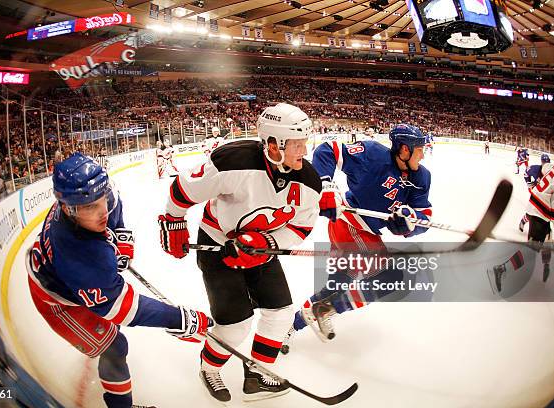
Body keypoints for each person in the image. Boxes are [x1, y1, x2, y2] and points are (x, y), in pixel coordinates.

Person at [158, 103, 321, 402]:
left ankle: (258, 374)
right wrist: (173, 220)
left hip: (261, 250)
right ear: (273, 144)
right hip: (219, 244)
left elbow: (301, 227)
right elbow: (183, 189)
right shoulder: (232, 161)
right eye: (297, 144)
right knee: (235, 326)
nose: (304, 152)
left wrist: (268, 245)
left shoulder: (309, 181)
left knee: (281, 313)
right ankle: (209, 368)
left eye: (304, 143)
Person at [27, 153, 212, 408]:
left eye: (101, 199)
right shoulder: (81, 254)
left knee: (113, 333)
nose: (102, 210)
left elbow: (114, 212)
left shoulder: (95, 194)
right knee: (114, 346)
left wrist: (123, 246)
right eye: (90, 206)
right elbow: (123, 309)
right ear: (68, 209)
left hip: (73, 274)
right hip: (57, 299)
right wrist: (177, 318)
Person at [282, 123, 432, 352]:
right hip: (350, 223)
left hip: (365, 231)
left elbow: (425, 216)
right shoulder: (372, 154)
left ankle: (289, 328)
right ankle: (326, 309)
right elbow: (327, 150)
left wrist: (409, 221)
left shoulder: (422, 177)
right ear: (404, 149)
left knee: (336, 286)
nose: (423, 154)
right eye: (419, 149)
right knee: (391, 276)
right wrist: (326, 186)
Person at [493, 161, 554, 288]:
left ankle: (546, 263)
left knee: (546, 237)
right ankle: (502, 269)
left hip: (534, 206)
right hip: (540, 214)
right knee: (529, 252)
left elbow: (543, 168)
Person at [519, 154, 551, 232]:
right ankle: (523, 221)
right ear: (541, 162)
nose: (546, 164)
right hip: (536, 192)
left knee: (545, 212)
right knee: (534, 210)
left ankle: (546, 229)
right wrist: (529, 184)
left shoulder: (551, 171)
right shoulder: (536, 169)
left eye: (547, 162)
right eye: (544, 162)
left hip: (546, 195)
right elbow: (526, 172)